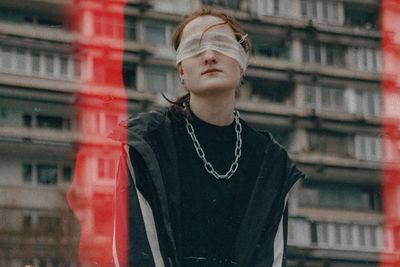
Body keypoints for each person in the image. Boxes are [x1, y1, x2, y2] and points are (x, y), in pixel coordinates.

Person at [111, 7, 305, 267]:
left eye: (222, 45)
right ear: (181, 70)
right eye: (194, 48)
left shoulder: (271, 160)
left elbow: (270, 258)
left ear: (242, 61)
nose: (210, 56)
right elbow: (136, 253)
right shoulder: (146, 143)